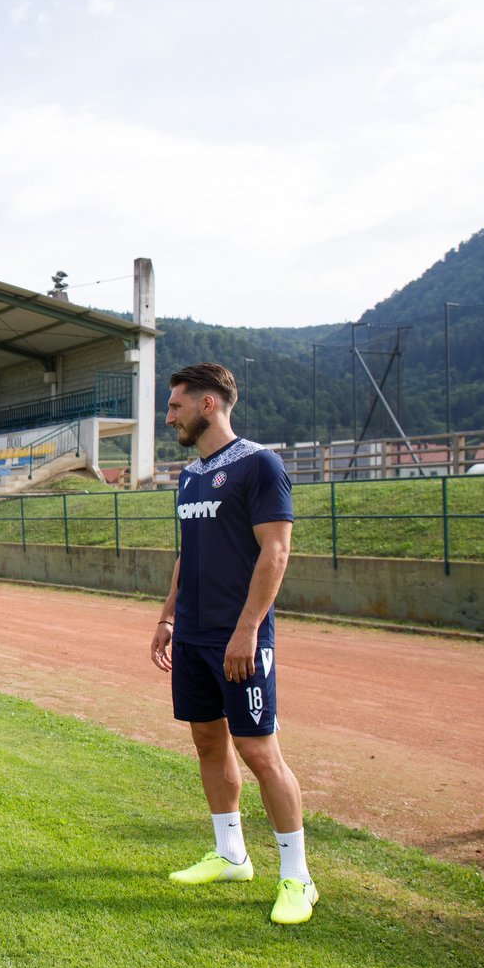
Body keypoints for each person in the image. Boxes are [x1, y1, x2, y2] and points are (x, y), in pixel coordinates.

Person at [148, 363, 315, 925]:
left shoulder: (259, 465)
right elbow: (186, 553)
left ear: (208, 406)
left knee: (260, 750)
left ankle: (297, 878)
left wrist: (247, 630)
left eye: (175, 406)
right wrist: (169, 616)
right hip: (192, 633)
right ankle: (231, 854)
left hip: (237, 635)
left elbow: (276, 552)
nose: (168, 415)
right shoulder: (191, 476)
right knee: (206, 741)